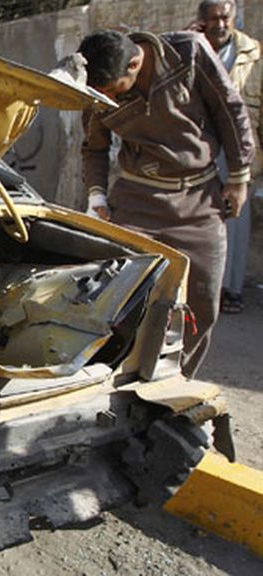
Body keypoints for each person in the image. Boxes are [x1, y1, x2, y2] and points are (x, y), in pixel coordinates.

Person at [78, 28, 254, 378]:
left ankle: (175, 385)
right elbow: (93, 147)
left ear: (134, 63)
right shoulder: (99, 86)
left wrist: (238, 177)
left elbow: (230, 110)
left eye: (114, 91)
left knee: (203, 305)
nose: (108, 99)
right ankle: (114, 383)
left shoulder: (188, 53)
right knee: (118, 299)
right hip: (136, 200)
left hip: (199, 200)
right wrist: (96, 195)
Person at [195, 0, 261, 314]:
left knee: (235, 219)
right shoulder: (189, 47)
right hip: (199, 149)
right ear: (202, 21)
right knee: (197, 219)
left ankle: (231, 289)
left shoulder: (254, 54)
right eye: (213, 19)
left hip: (239, 149)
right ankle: (202, 287)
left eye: (225, 18)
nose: (220, 24)